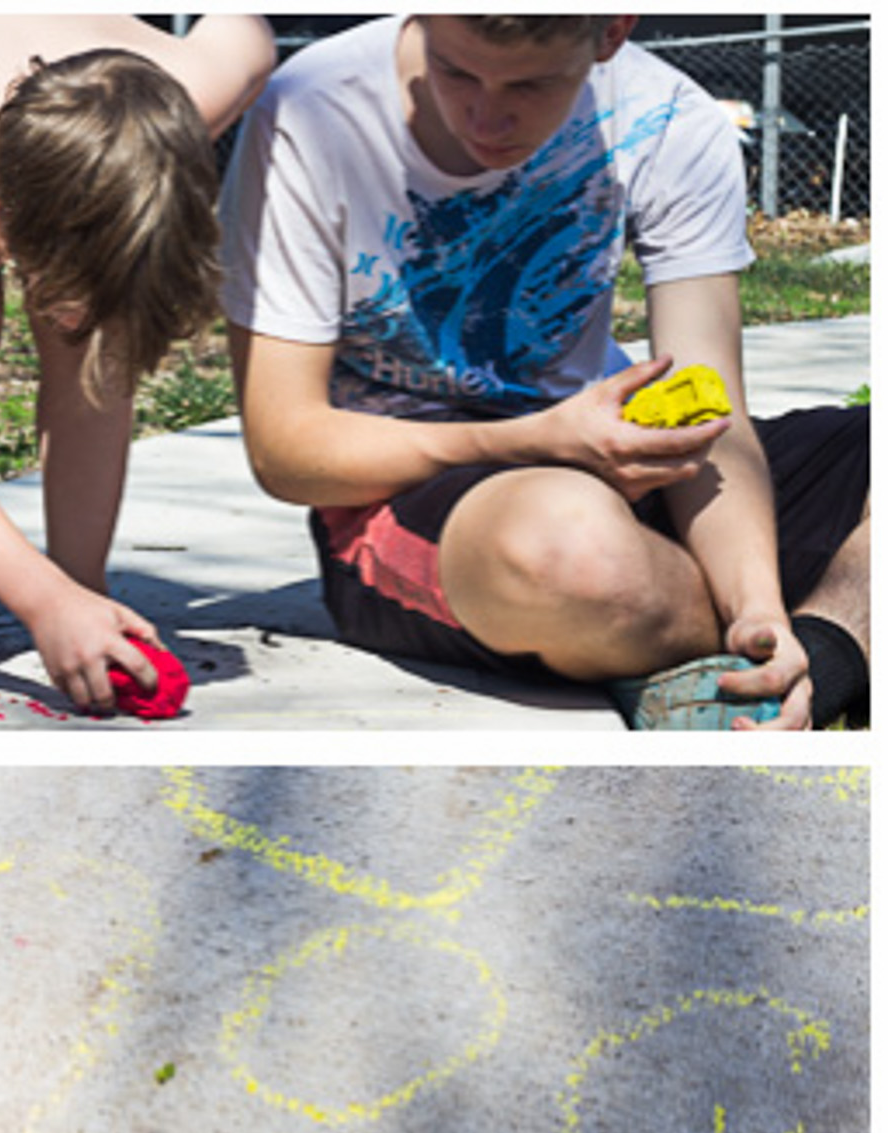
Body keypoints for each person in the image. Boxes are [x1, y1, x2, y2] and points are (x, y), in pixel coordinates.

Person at [220, 14, 869, 729]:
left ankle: (812, 655)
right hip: (423, 493)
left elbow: (712, 411)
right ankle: (807, 627)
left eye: (532, 83)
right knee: (578, 556)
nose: (487, 114)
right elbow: (287, 453)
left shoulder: (672, 117)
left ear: (611, 32)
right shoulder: (313, 109)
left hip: (612, 456)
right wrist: (535, 440)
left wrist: (758, 606)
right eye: (456, 70)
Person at [0, 15, 276, 713]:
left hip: (89, 92)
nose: (70, 314)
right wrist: (38, 601)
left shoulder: (206, 81)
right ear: (5, 219)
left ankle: (83, 579)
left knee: (93, 346)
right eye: (58, 289)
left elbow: (249, 30)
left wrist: (69, 594)